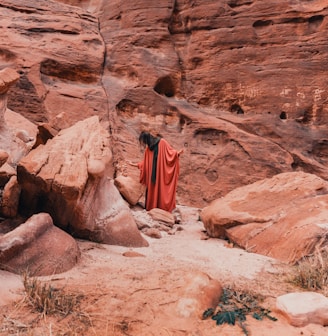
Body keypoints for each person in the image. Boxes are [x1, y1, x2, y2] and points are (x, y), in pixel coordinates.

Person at [130, 131, 183, 213]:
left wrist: (176, 154)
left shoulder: (162, 142)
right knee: (154, 191)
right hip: (153, 179)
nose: (145, 143)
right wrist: (134, 164)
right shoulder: (148, 150)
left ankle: (162, 210)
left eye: (145, 141)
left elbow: (170, 154)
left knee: (162, 191)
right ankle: (154, 210)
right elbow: (145, 164)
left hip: (160, 176)